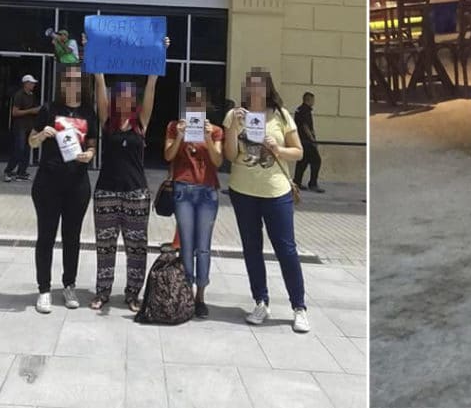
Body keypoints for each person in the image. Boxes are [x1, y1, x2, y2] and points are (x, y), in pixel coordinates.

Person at [223, 69, 310, 333]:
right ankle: (261, 301)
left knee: (286, 249)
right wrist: (233, 128)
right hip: (243, 191)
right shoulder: (235, 115)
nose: (255, 93)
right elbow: (228, 155)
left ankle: (299, 307)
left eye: (260, 88)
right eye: (251, 88)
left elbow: (298, 152)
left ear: (268, 89)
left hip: (276, 193)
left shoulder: (281, 116)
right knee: (252, 248)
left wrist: (278, 148)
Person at [90, 36, 168, 311]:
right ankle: (102, 292)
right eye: (119, 94)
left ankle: (133, 294)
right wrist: (94, 53)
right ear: (113, 99)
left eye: (128, 95)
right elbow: (99, 81)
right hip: (106, 193)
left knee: (137, 248)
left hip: (136, 193)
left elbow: (152, 86)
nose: (124, 98)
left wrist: (159, 53)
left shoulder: (141, 124)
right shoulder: (106, 122)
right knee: (105, 246)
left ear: (133, 100)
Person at [27, 64, 96, 314]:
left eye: (77, 80)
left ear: (82, 84)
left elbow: (92, 145)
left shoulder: (88, 112)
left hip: (77, 184)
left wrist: (89, 154)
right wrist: (42, 135)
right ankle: (44, 290)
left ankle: (69, 285)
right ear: (62, 83)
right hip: (48, 183)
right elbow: (31, 141)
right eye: (68, 80)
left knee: (72, 238)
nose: (72, 84)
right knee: (46, 237)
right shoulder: (48, 109)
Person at [164, 83, 223, 318]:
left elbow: (218, 161)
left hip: (207, 191)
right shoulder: (173, 126)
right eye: (191, 103)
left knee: (204, 247)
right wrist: (179, 135)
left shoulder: (215, 130)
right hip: (183, 189)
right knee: (186, 245)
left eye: (199, 103)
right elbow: (168, 155)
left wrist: (208, 138)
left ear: (205, 106)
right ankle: (186, 291)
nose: (195, 107)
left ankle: (201, 294)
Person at [4, 75, 41, 183]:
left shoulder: (32, 95)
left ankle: (22, 172)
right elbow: (15, 112)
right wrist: (31, 111)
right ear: (26, 83)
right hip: (20, 126)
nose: (33, 85)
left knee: (27, 150)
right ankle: (8, 171)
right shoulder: (19, 95)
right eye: (31, 83)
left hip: (29, 126)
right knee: (19, 149)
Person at [293, 92, 323, 193]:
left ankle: (297, 182)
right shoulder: (305, 111)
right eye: (313, 100)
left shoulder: (299, 109)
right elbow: (305, 126)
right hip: (306, 141)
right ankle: (313, 184)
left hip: (300, 139)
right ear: (308, 100)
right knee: (316, 161)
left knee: (303, 162)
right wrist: (312, 139)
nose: (313, 102)